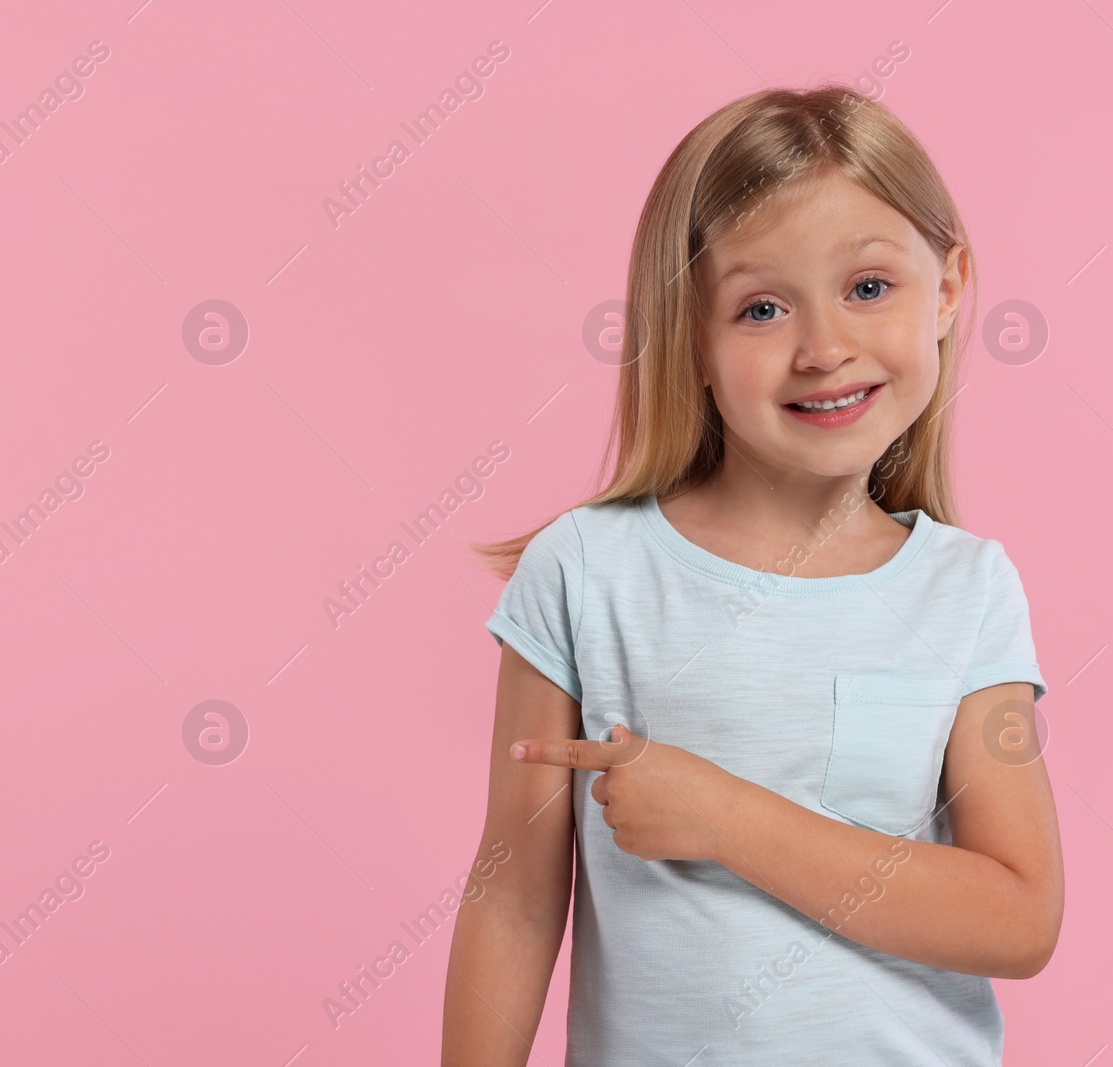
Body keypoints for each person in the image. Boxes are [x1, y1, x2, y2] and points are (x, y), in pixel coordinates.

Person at [440, 84, 1062, 1066]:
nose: (824, 349)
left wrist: (725, 817)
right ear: (687, 335)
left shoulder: (967, 589)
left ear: (946, 289)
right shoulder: (587, 571)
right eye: (761, 306)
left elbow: (1017, 914)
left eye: (867, 287)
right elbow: (513, 897)